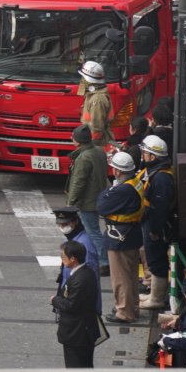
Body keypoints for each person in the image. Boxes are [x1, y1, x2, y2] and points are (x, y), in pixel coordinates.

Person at [97, 151, 145, 324]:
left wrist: (109, 190)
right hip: (131, 234)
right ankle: (132, 307)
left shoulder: (123, 190)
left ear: (118, 171)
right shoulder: (135, 183)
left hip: (119, 236)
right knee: (130, 275)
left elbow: (101, 205)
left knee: (120, 278)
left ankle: (124, 311)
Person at [138, 135, 176, 311]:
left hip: (156, 225)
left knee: (157, 260)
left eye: (146, 153)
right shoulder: (155, 173)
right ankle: (154, 294)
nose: (143, 155)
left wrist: (155, 230)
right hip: (150, 222)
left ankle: (157, 299)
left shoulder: (161, 178)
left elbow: (159, 208)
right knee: (153, 259)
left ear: (153, 157)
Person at [51, 239, 103, 369]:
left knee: (76, 368)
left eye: (63, 256)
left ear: (73, 259)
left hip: (77, 333)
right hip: (81, 332)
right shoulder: (85, 273)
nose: (62, 259)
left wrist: (55, 300)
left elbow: (71, 305)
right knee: (84, 366)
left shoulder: (80, 279)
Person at [65, 125, 109, 254]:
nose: (71, 139)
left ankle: (103, 261)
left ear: (78, 141)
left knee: (92, 232)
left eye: (72, 137)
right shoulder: (99, 151)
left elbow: (78, 182)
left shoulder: (84, 157)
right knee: (92, 231)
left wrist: (70, 203)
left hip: (87, 201)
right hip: (98, 196)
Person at [79, 60, 112, 146]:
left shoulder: (97, 99)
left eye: (83, 78)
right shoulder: (92, 95)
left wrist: (88, 146)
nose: (81, 80)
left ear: (89, 81)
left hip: (95, 143)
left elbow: (96, 128)